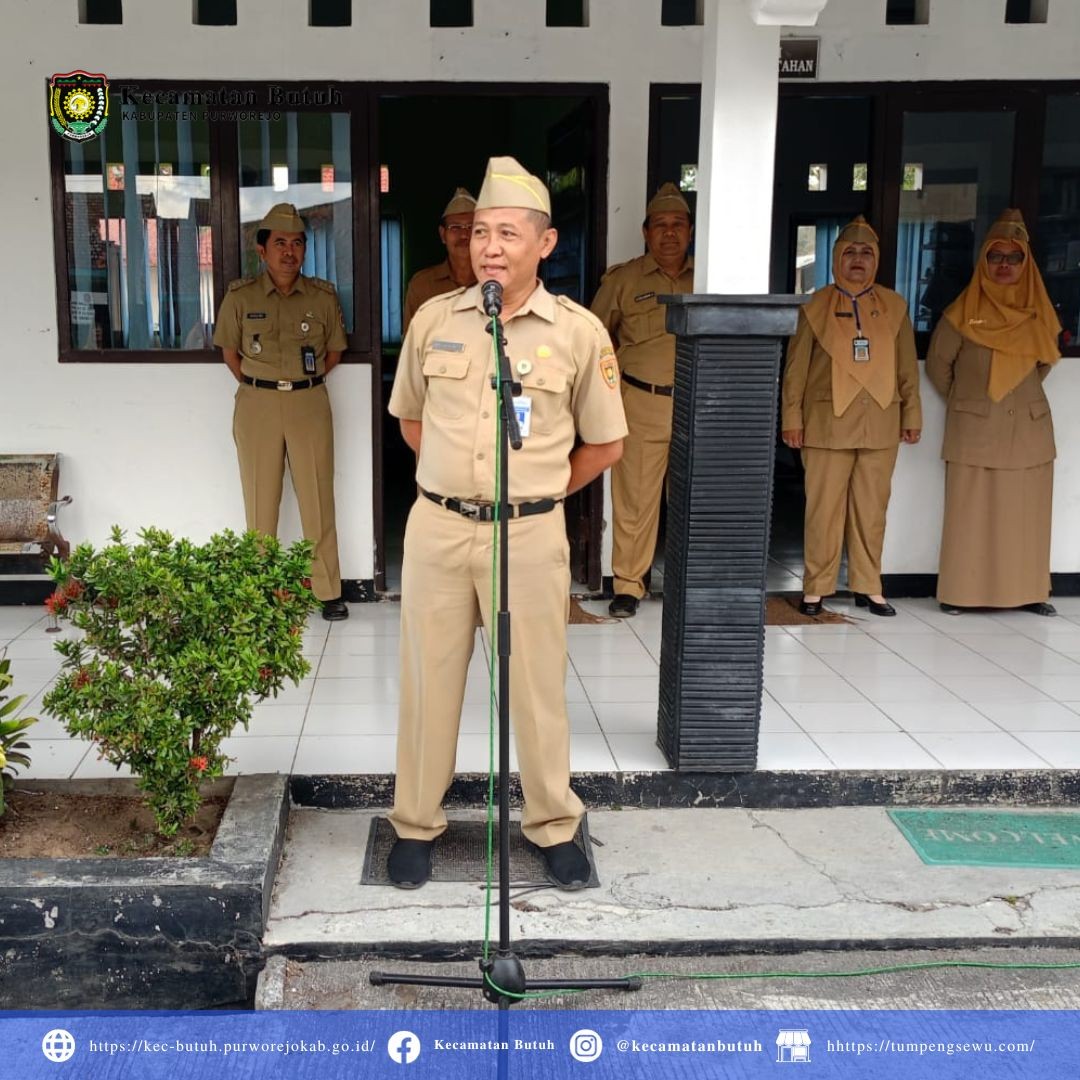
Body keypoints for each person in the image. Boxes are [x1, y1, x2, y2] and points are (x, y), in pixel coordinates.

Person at [386, 156, 627, 890]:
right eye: (480, 232)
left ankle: (554, 823)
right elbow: (411, 422)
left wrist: (538, 493)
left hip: (528, 536)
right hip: (438, 531)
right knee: (428, 686)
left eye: (508, 233)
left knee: (536, 689)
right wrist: (460, 491)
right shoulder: (435, 319)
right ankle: (415, 825)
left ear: (544, 244)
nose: (490, 246)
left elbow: (607, 443)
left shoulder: (580, 333)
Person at [213, 202, 350, 621]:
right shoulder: (241, 297)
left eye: (296, 243)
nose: (289, 252)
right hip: (257, 404)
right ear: (261, 250)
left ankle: (328, 591)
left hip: (309, 402)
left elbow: (334, 353)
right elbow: (230, 353)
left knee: (317, 498)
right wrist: (263, 385)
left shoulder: (322, 296)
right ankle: (258, 590)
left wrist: (298, 385)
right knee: (261, 500)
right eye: (280, 243)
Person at [781, 216, 922, 617]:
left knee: (871, 510)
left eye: (865, 253)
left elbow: (907, 368)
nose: (857, 260)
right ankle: (816, 588)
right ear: (835, 258)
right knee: (823, 509)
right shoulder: (814, 305)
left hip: (879, 422)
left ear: (876, 260)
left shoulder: (894, 306)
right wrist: (792, 417)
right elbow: (796, 369)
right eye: (849, 252)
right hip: (826, 423)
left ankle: (868, 585)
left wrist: (911, 413)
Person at [926, 208, 1062, 617]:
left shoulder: (1040, 314)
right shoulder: (961, 313)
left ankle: (1029, 593)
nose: (1004, 265)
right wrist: (972, 401)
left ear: (1026, 263)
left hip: (1028, 430)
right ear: (983, 261)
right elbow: (938, 367)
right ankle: (960, 594)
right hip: (975, 428)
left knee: (1026, 516)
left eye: (1013, 257)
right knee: (972, 515)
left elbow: (1042, 364)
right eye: (996, 256)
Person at [590, 183, 694, 618]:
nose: (669, 233)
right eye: (660, 226)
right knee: (634, 502)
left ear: (690, 231)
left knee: (695, 502)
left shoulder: (710, 276)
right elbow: (593, 337)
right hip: (641, 402)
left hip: (697, 407)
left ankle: (693, 587)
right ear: (645, 232)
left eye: (678, 225)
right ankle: (630, 585)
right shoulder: (624, 280)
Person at [401, 187, 478, 333]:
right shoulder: (422, 285)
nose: (464, 235)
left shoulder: (497, 283)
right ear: (443, 235)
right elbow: (410, 348)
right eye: (455, 228)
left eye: (471, 227)